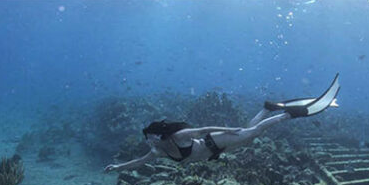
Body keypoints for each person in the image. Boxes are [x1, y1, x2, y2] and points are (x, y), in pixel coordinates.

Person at [104, 74, 340, 173]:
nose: (149, 140)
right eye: (148, 138)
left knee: (252, 132)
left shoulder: (179, 136)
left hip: (215, 140)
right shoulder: (156, 152)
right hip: (216, 151)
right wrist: (117, 168)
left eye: (150, 136)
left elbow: (204, 129)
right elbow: (137, 162)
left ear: (158, 134)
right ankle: (266, 108)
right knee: (250, 133)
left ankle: (291, 114)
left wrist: (229, 130)